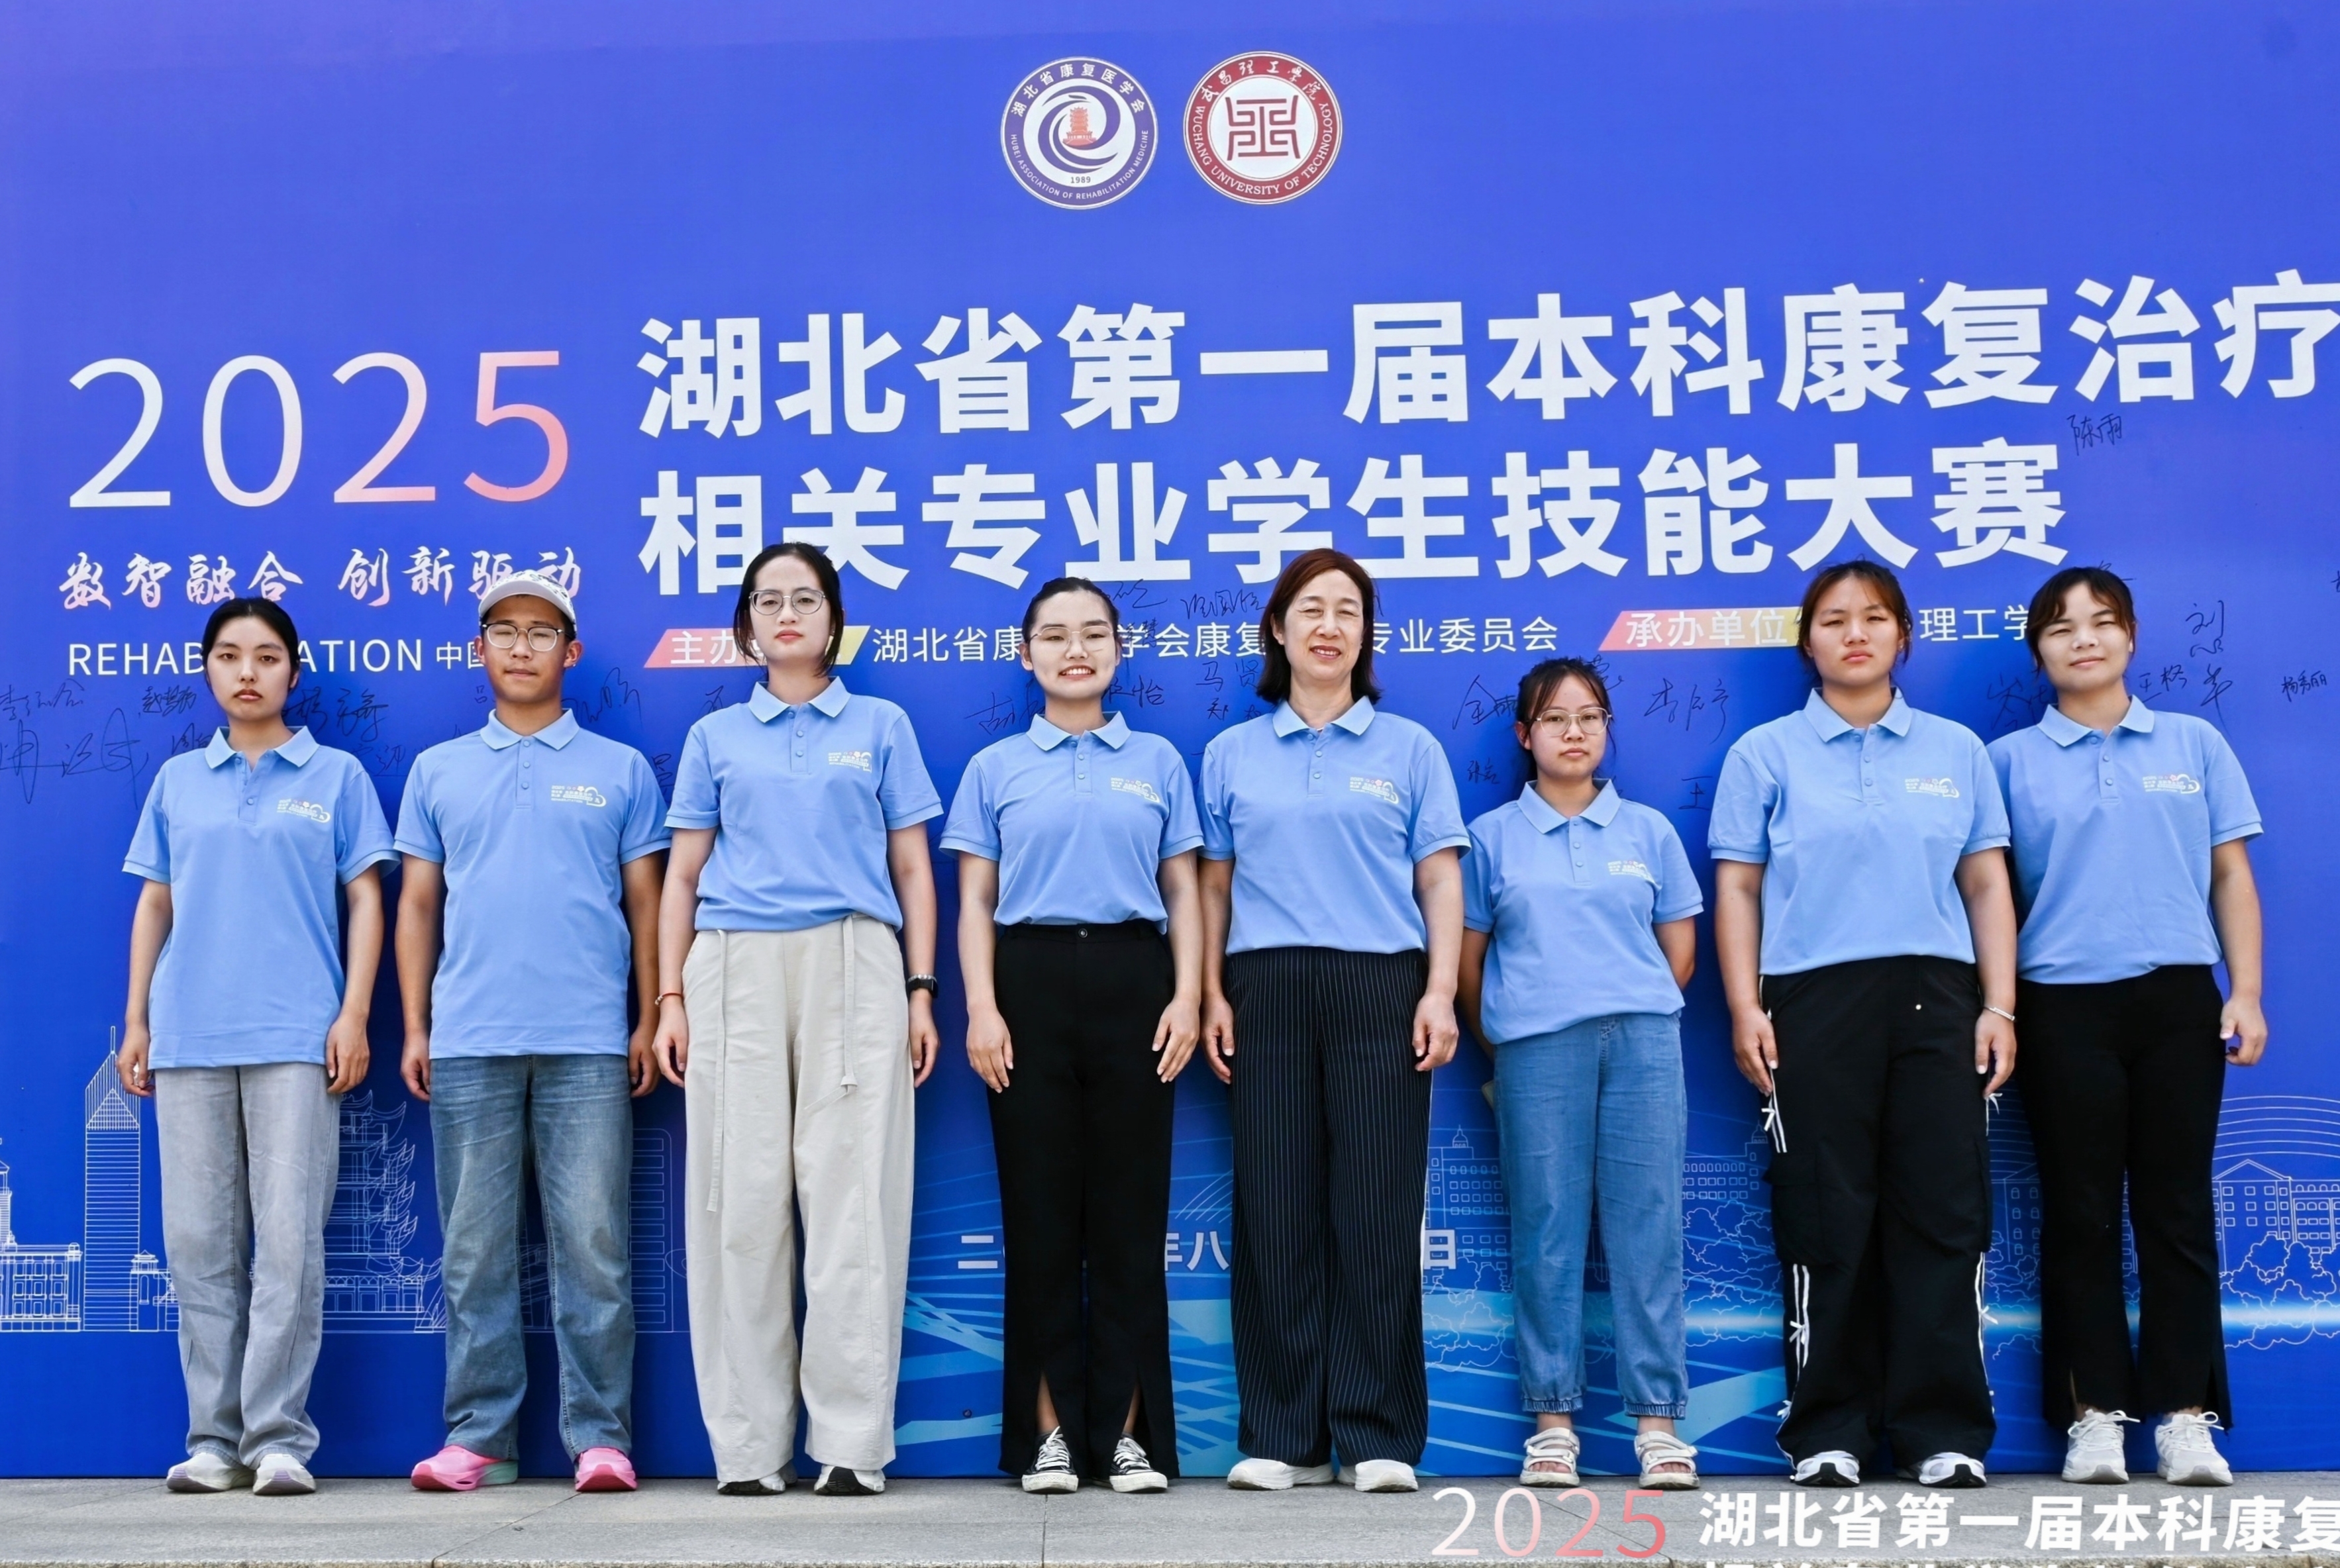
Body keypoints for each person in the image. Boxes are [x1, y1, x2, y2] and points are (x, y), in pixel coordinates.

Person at [1708, 560, 2019, 1491]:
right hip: (1810, 999)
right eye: (1834, 619)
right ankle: (1827, 1428)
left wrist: (1998, 1005)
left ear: (1902, 637)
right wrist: (1744, 1005)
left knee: (1942, 1214)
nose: (1855, 633)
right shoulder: (1765, 753)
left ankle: (1941, 1430)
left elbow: (1985, 884)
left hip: (1938, 997)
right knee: (1823, 1215)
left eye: (1874, 617)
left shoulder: (1955, 750)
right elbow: (1738, 887)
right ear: (1806, 641)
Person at [654, 542, 942, 1497]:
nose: (787, 614)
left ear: (833, 619)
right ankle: (747, 1449)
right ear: (746, 624)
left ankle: (851, 1445)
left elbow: (913, 867)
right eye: (768, 600)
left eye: (805, 599)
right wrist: (670, 998)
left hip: (854, 959)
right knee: (738, 1205)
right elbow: (682, 877)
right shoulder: (715, 738)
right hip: (732, 963)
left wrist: (920, 988)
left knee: (853, 1201)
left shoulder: (880, 725)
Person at [1196, 548, 1468, 1494]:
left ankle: (1376, 1434)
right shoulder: (1232, 753)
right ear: (1277, 629)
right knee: (1274, 1210)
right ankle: (1285, 1437)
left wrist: (1439, 990)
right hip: (1264, 985)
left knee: (1376, 1210)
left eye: (1347, 610)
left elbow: (1439, 879)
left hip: (1380, 984)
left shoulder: (1408, 749)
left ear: (1365, 633)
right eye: (1310, 608)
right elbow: (1213, 887)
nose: (1328, 626)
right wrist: (1211, 992)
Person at [394, 571, 670, 1494]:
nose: (522, 647)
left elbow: (645, 903)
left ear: (571, 652)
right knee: (473, 1250)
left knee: (592, 1244)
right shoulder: (437, 770)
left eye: (541, 632)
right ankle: (480, 1439)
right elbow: (418, 904)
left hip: (588, 1040)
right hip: (468, 1037)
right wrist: (416, 1024)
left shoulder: (620, 769)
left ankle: (601, 1439)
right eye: (504, 631)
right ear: (479, 650)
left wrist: (646, 1016)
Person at [1988, 566, 2265, 1488]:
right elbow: (1988, 896)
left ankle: (2185, 1416)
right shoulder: (2006, 762)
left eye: (2102, 622)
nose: (2083, 639)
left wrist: (2244, 990)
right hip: (2061, 1003)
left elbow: (2230, 874)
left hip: (2178, 1000)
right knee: (2079, 1213)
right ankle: (2093, 1414)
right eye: (2060, 627)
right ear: (2038, 650)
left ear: (2131, 636)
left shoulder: (2193, 742)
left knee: (2176, 1209)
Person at [119, 598, 394, 1497]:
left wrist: (353, 1014)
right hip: (189, 1033)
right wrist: (137, 1020)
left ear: (293, 671)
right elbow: (155, 901)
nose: (248, 672)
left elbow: (366, 899)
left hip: (296, 1034)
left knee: (288, 1243)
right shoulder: (178, 782)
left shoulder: (338, 776)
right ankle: (213, 1439)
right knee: (197, 1242)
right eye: (230, 655)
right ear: (207, 669)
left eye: (267, 656)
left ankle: (278, 1437)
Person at [942, 577, 1203, 1495]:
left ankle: (1128, 1435)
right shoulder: (995, 767)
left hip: (1137, 983)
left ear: (1118, 651)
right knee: (1041, 1220)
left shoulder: (1158, 761)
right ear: (1027, 656)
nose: (1075, 650)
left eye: (1094, 633)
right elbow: (974, 900)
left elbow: (1182, 890)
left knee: (1131, 1222)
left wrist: (1187, 995)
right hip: (1028, 984)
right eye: (1054, 636)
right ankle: (1048, 1433)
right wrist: (981, 1007)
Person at [1458, 658, 1702, 1493]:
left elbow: (1677, 953)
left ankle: (1658, 1424)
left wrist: (1621, 1003)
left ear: (1606, 730)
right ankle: (1552, 1424)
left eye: (1589, 717)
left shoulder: (1648, 831)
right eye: (1554, 719)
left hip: (1643, 1044)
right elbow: (1469, 962)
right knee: (1547, 1230)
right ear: (1524, 735)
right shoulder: (1490, 837)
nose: (1573, 732)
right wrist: (1510, 1033)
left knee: (1647, 1230)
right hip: (1534, 1048)